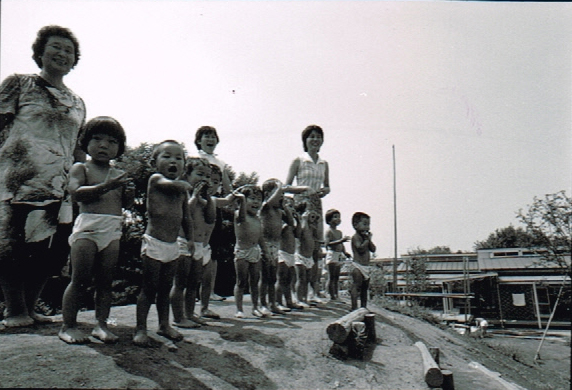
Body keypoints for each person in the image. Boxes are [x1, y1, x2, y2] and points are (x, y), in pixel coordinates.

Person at [0, 25, 86, 327]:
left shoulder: (78, 103)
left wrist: (80, 181)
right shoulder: (19, 84)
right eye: (56, 47)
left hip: (59, 186)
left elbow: (78, 148)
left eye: (69, 50)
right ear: (40, 51)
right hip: (16, 182)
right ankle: (15, 311)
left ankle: (31, 308)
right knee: (12, 246)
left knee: (48, 250)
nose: (63, 53)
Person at [59, 117, 133, 344]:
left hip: (112, 228)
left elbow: (126, 205)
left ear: (119, 148)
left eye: (111, 141)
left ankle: (101, 325)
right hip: (87, 227)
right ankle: (68, 326)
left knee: (105, 280)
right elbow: (76, 192)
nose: (104, 145)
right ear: (85, 142)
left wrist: (127, 191)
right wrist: (107, 186)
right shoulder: (81, 167)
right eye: (97, 139)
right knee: (79, 279)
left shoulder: (118, 172)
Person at [133, 140, 193, 346]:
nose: (173, 161)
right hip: (154, 243)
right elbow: (166, 184)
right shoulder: (155, 179)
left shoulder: (181, 191)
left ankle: (164, 324)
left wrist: (191, 239)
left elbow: (186, 217)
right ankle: (141, 328)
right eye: (166, 156)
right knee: (149, 288)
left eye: (179, 158)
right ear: (154, 162)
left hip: (173, 245)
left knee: (165, 288)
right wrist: (181, 184)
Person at [286, 125, 330, 304]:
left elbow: (327, 186)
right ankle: (296, 293)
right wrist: (303, 188)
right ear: (305, 140)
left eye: (318, 137)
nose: (315, 140)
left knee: (315, 248)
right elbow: (286, 186)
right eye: (311, 137)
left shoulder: (324, 163)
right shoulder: (298, 160)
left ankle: (313, 292)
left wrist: (324, 190)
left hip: (317, 205)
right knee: (300, 247)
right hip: (301, 204)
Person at [171, 157, 214, 328]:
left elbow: (211, 218)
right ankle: (178, 317)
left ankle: (189, 314)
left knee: (193, 283)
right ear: (187, 174)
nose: (204, 179)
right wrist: (195, 196)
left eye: (207, 176)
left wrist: (208, 198)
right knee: (180, 282)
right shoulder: (182, 192)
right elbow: (183, 213)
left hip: (198, 245)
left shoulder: (204, 198)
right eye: (200, 174)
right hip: (182, 241)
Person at [193, 125, 232, 301]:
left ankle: (209, 292)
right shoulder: (193, 158)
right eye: (206, 136)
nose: (210, 139)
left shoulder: (221, 163)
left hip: (214, 205)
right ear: (199, 141)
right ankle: (192, 290)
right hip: (195, 205)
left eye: (213, 136)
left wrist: (236, 199)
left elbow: (227, 186)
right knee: (194, 247)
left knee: (213, 249)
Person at [232, 185, 267, 318]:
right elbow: (241, 217)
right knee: (241, 281)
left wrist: (266, 251)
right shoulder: (239, 214)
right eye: (252, 198)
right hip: (242, 251)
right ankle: (239, 309)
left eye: (259, 199)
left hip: (255, 251)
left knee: (255, 280)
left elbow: (260, 237)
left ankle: (255, 307)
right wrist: (241, 200)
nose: (256, 202)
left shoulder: (257, 219)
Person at [259, 179, 286, 315]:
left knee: (272, 277)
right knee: (264, 276)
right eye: (278, 193)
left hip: (276, 246)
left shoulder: (279, 211)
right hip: (265, 244)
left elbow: (292, 223)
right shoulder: (265, 206)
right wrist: (280, 186)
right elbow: (270, 201)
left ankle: (272, 303)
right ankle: (262, 304)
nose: (281, 196)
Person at [276, 196, 302, 311]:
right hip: (282, 252)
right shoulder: (281, 218)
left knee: (289, 279)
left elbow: (298, 234)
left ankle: (289, 301)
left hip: (291, 254)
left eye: (292, 206)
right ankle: (278, 302)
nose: (291, 208)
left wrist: (298, 220)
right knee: (281, 278)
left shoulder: (293, 222)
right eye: (288, 205)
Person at [294, 203, 320, 308]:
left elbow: (317, 235)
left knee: (308, 279)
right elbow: (300, 234)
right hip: (300, 256)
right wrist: (304, 219)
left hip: (309, 257)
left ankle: (304, 298)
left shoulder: (311, 227)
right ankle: (298, 298)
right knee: (301, 279)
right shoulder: (302, 224)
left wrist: (315, 221)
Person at [350, 212, 376, 311]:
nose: (367, 227)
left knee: (365, 288)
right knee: (356, 286)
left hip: (366, 266)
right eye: (364, 224)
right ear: (356, 225)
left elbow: (373, 249)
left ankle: (363, 307)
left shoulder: (366, 239)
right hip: (357, 266)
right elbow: (360, 249)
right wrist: (366, 240)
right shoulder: (355, 237)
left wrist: (369, 240)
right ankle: (354, 307)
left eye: (368, 225)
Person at [324, 209, 351, 301]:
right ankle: (330, 294)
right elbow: (327, 244)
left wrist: (345, 252)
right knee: (331, 276)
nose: (338, 219)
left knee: (336, 277)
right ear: (329, 220)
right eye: (335, 217)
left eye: (339, 217)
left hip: (338, 254)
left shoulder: (339, 232)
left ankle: (336, 294)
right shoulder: (329, 231)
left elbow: (341, 244)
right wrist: (340, 241)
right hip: (332, 254)